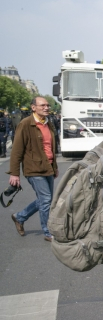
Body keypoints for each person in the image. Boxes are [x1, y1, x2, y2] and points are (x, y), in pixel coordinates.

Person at [8, 96, 58, 242]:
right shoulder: (25, 124)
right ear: (33, 107)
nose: (46, 107)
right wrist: (14, 173)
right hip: (34, 168)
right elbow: (17, 150)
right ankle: (48, 232)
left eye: (48, 105)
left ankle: (19, 217)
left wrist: (55, 167)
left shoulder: (49, 123)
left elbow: (51, 148)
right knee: (46, 199)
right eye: (42, 105)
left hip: (48, 167)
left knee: (45, 200)